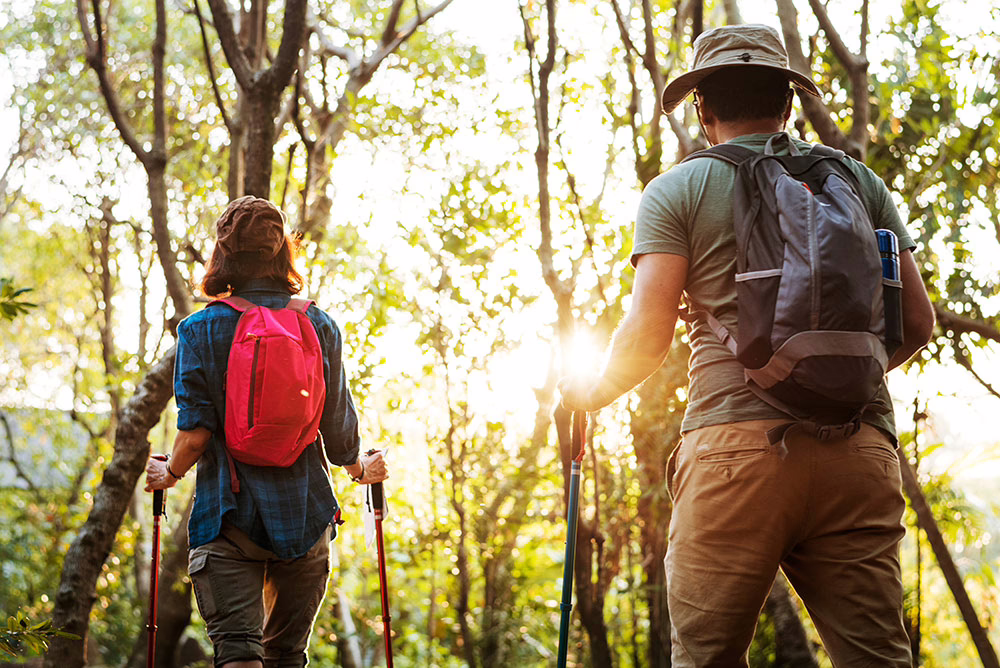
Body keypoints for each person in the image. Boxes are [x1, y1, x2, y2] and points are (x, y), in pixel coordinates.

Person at [559, 24, 934, 667]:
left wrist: (582, 396)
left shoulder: (678, 190)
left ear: (701, 108)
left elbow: (647, 339)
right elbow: (917, 324)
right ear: (788, 102)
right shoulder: (859, 184)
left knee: (706, 658)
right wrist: (833, 378)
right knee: (878, 659)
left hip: (734, 452)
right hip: (859, 447)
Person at [145, 195, 387, 667]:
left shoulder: (199, 330)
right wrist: (364, 468)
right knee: (287, 656)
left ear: (223, 255)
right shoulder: (318, 324)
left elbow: (194, 435)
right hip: (305, 517)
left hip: (228, 517)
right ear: (283, 253)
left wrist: (169, 472)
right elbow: (339, 434)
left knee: (239, 656)